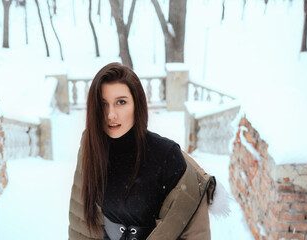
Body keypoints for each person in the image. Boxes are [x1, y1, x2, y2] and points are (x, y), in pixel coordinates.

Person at [69, 62, 217, 240]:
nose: (110, 114)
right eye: (103, 104)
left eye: (121, 102)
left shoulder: (166, 155)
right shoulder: (91, 145)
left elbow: (193, 232)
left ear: (137, 105)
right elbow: (81, 223)